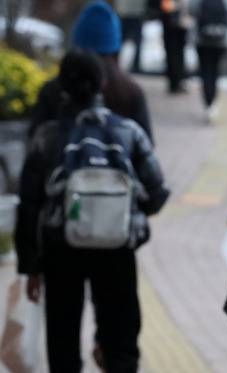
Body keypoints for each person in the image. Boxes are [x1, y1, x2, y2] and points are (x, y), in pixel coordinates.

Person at [15, 49, 169, 373]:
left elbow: (28, 205)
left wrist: (30, 266)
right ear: (101, 83)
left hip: (60, 251)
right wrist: (124, 213)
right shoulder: (128, 133)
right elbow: (157, 192)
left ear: (62, 87)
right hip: (116, 251)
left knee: (62, 342)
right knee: (121, 342)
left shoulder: (47, 138)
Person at [29, 0, 154, 143]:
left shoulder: (53, 90)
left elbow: (34, 143)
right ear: (115, 47)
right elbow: (146, 146)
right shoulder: (131, 93)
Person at [190, 0, 227, 118]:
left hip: (201, 38)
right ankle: (212, 101)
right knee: (215, 69)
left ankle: (208, 101)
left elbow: (192, 10)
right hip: (222, 39)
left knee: (205, 70)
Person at [160, 0, 191, 93]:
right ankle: (176, 82)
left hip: (173, 23)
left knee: (174, 53)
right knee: (176, 53)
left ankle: (176, 82)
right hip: (176, 23)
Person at [115, 0, 147, 73]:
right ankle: (135, 66)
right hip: (131, 12)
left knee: (121, 41)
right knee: (121, 41)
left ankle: (134, 66)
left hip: (130, 12)